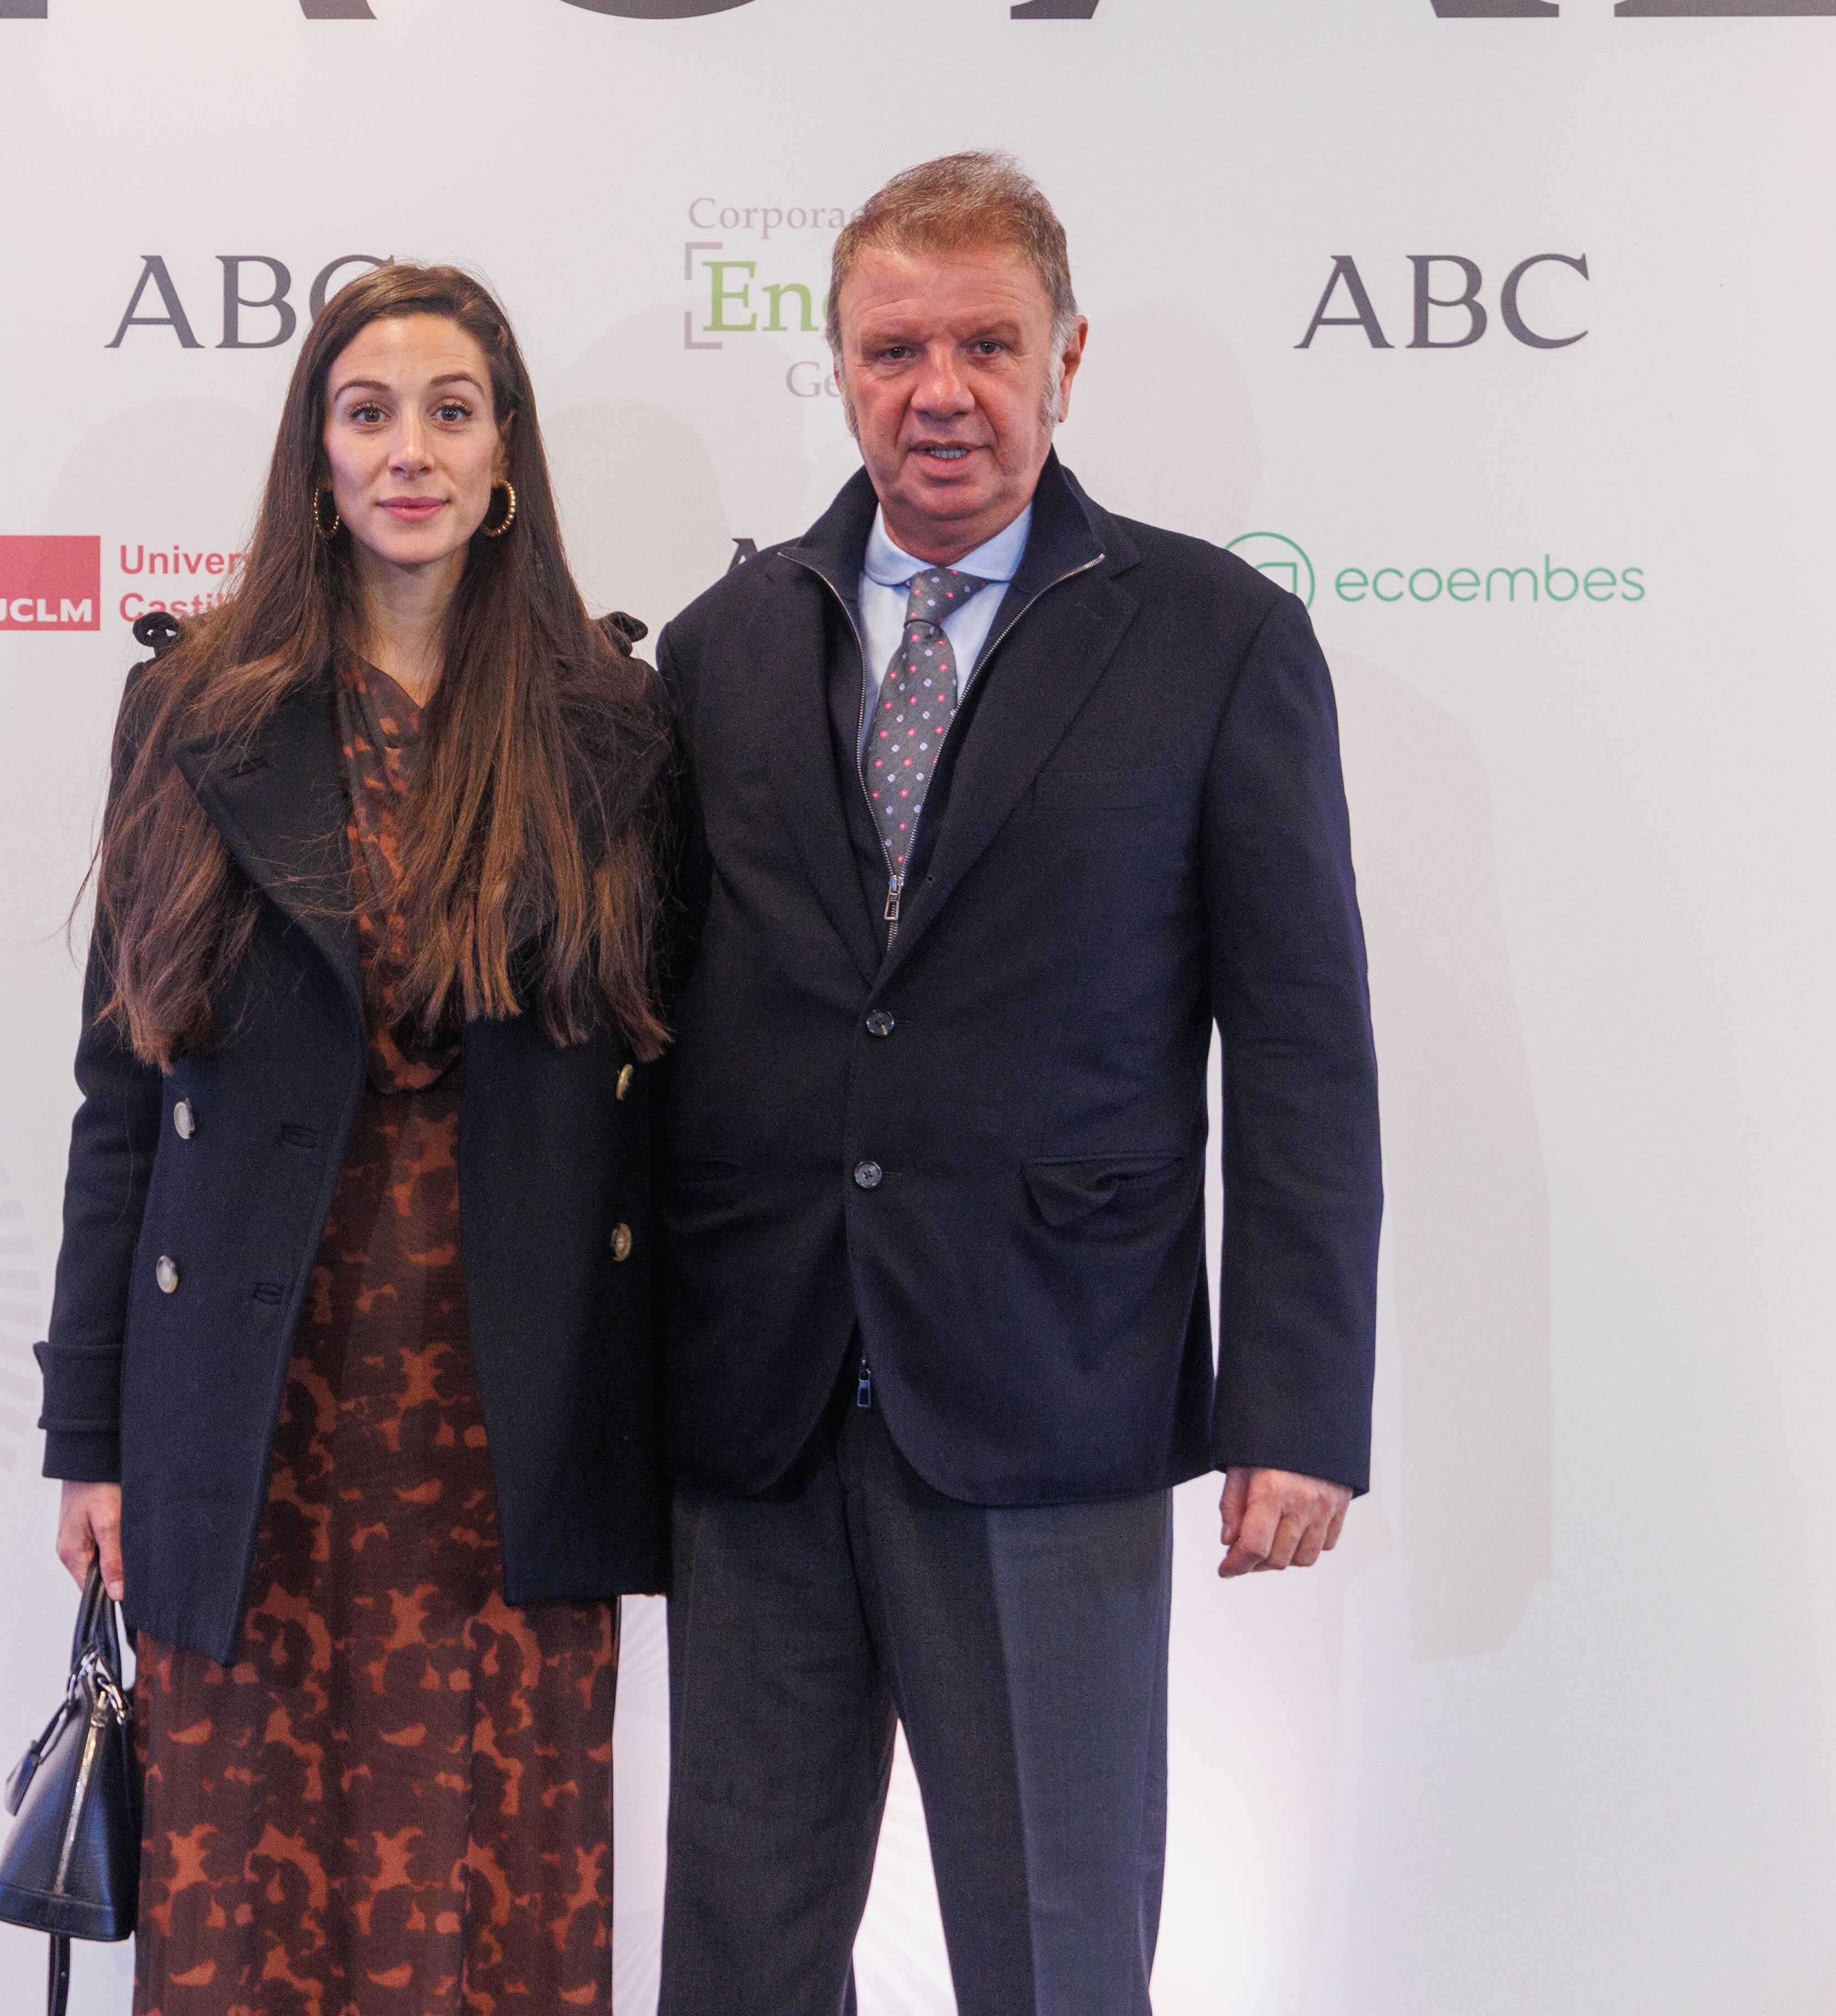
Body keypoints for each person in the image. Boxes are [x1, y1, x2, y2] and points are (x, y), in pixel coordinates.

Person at [651, 153, 1386, 2016]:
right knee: (738, 1962)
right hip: (759, 1412)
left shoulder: (1219, 640)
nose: (941, 389)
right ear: (837, 370)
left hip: (1051, 1393)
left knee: (1058, 1959)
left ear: (1070, 357)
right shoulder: (723, 649)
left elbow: (1301, 1048)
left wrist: (1295, 1400)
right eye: (895, 347)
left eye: (988, 341)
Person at [34, 264, 673, 2014]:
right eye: (368, 410)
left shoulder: (611, 726)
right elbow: (120, 1089)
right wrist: (85, 1429)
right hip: (250, 1406)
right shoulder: (198, 712)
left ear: (507, 460)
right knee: (243, 1892)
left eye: (451, 411)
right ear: (314, 456)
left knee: (503, 1873)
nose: (411, 450)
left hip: (509, 1409)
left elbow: (664, 1103)